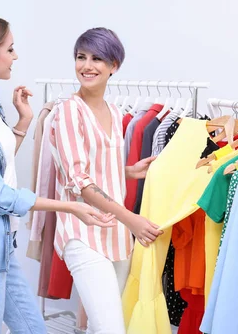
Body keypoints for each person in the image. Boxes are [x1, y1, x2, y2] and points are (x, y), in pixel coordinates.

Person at [0, 15, 115, 334]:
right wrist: (70, 206)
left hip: (0, 243)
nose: (15, 56)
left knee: (34, 329)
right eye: (10, 49)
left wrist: (23, 120)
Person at [49, 27, 163, 333]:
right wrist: (132, 220)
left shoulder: (114, 111)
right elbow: (79, 181)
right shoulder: (69, 112)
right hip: (84, 233)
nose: (86, 65)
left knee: (104, 325)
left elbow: (96, 165)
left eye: (97, 58)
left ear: (114, 66)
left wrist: (128, 170)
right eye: (80, 57)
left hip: (115, 235)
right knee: (111, 328)